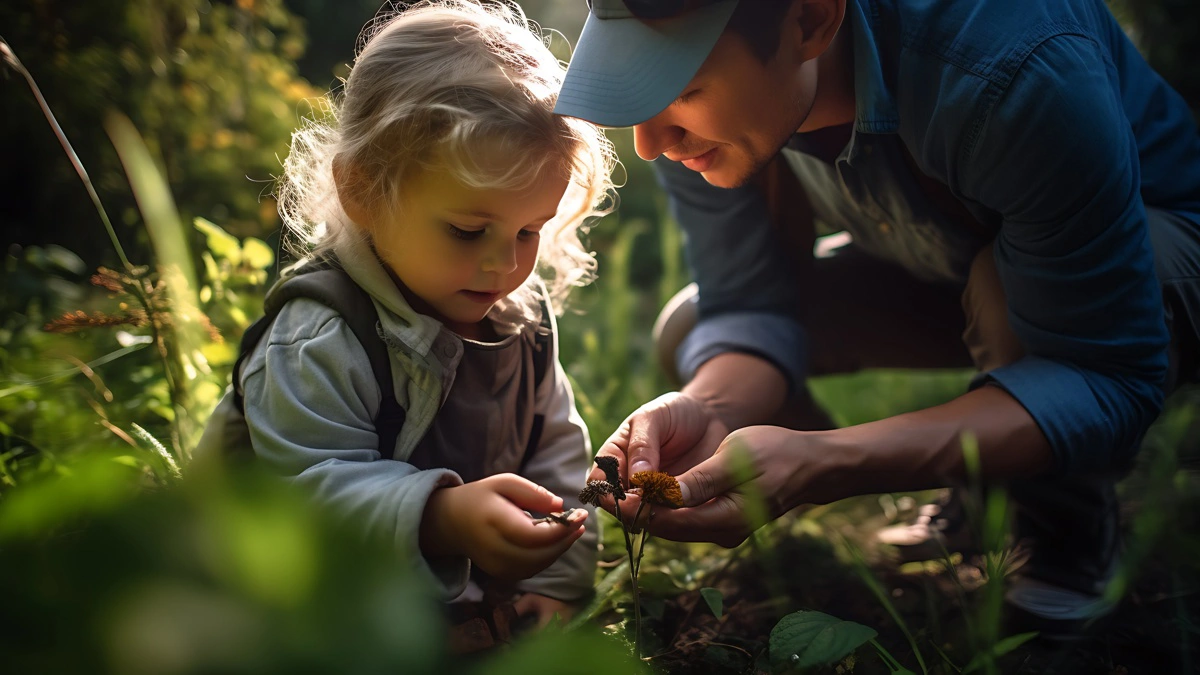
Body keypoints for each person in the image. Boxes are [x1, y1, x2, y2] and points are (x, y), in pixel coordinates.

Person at [556, 0, 1200, 628]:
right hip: (952, 260)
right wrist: (714, 409)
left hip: (1132, 274)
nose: (647, 142)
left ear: (809, 19)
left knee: (1001, 292)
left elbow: (1107, 372)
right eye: (633, 83)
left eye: (683, 87)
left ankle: (1065, 544)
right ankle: (983, 474)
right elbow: (747, 304)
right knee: (694, 330)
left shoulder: (1013, 66)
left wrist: (827, 461)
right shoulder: (706, 122)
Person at [213, 0, 616, 628]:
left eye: (529, 231)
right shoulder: (323, 335)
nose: (503, 265)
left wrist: (558, 581)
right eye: (466, 230)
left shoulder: (518, 322)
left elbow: (555, 448)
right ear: (364, 190)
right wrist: (439, 517)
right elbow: (304, 490)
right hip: (288, 616)